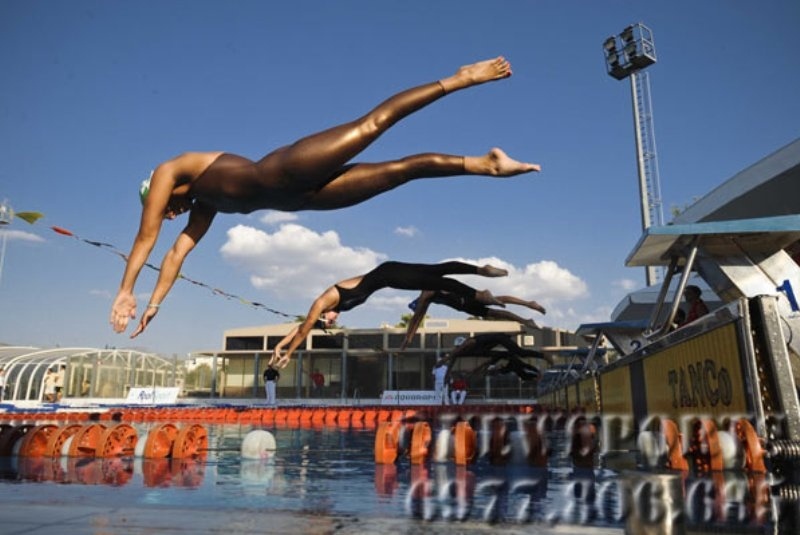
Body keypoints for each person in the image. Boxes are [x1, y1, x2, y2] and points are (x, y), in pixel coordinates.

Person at [110, 57, 540, 338]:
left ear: (157, 194)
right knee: (401, 172)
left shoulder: (172, 169)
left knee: (373, 125)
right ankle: (485, 164)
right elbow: (174, 256)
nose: (171, 216)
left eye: (166, 209)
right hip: (306, 200)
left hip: (288, 169)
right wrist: (153, 303)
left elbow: (146, 239)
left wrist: (125, 290)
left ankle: (460, 79)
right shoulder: (205, 207)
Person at [270, 261, 509, 367]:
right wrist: (280, 345)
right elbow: (302, 327)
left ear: (324, 313)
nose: (334, 321)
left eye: (327, 322)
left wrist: (289, 354)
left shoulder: (324, 300)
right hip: (391, 274)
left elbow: (304, 328)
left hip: (391, 275)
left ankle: (479, 294)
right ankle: (481, 270)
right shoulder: (335, 307)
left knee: (437, 280)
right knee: (438, 272)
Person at [402, 289, 546, 349]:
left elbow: (416, 318)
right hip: (466, 307)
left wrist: (408, 339)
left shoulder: (428, 292)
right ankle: (526, 319)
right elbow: (417, 318)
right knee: (499, 314)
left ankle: (526, 304)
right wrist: (408, 338)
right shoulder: (426, 300)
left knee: (497, 303)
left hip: (466, 300)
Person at [449, 333, 551, 382]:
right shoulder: (476, 352)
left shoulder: (475, 343)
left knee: (521, 359)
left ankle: (540, 365)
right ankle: (537, 375)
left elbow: (486, 361)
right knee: (521, 371)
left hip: (504, 356)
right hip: (503, 360)